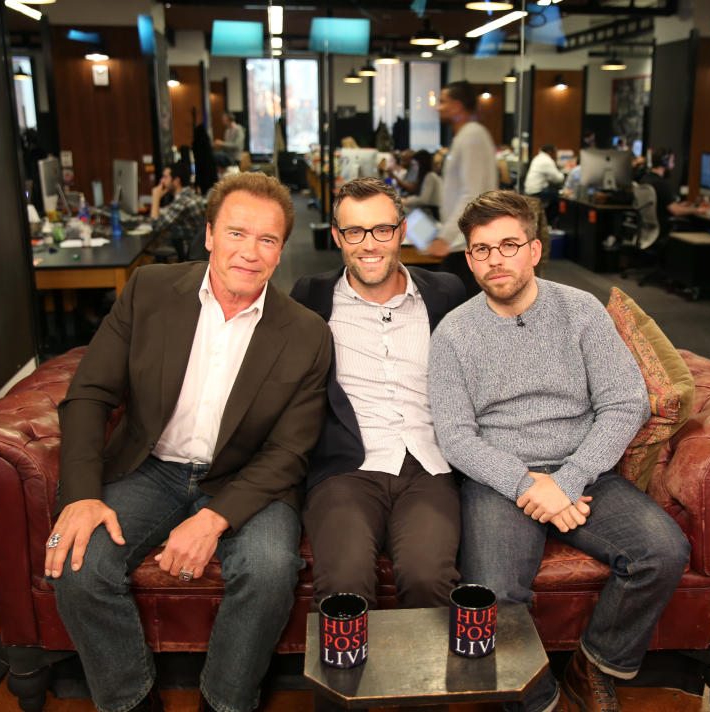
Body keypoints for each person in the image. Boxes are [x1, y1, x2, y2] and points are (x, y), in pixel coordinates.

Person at [46, 172, 333, 712]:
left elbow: (289, 452)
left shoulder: (307, 333)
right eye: (236, 233)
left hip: (247, 479)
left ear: (280, 252)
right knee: (77, 564)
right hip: (150, 467)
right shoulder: (150, 291)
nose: (250, 252)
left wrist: (214, 517)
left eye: (267, 240)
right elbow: (89, 394)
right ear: (208, 235)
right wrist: (81, 493)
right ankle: (131, 701)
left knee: (270, 570)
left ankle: (225, 703)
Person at [428, 190, 690, 712]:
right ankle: (538, 703)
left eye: (508, 244)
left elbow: (624, 402)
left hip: (584, 470)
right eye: (481, 250)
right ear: (469, 259)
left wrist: (567, 480)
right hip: (498, 481)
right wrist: (530, 486)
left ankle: (591, 665)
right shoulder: (453, 333)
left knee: (662, 552)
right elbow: (455, 437)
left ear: (535, 250)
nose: (495, 259)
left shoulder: (580, 311)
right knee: (494, 596)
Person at [291, 177, 465, 622]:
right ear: (336, 237)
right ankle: (346, 693)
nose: (369, 244)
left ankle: (424, 694)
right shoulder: (310, 298)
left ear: (402, 232)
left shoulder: (446, 294)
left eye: (382, 230)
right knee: (343, 586)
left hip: (429, 465)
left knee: (429, 579)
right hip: (346, 468)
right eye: (354, 232)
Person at [428, 80, 498, 297]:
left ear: (457, 106)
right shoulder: (465, 136)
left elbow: (472, 194)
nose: (439, 107)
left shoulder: (472, 136)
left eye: (443, 102)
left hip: (465, 243)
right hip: (461, 241)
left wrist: (445, 238)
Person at [640, 148, 708, 237]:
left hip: (648, 229)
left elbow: (660, 205)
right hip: (662, 228)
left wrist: (679, 205)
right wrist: (697, 210)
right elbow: (676, 211)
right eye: (672, 161)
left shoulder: (645, 179)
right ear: (665, 162)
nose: (673, 165)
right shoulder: (661, 183)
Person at [523, 143, 564, 224]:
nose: (555, 155)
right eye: (555, 152)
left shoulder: (538, 158)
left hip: (529, 190)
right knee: (561, 197)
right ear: (550, 152)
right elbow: (559, 179)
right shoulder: (547, 160)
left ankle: (546, 221)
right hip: (537, 192)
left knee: (554, 194)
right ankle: (548, 222)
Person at [402, 149, 442, 218]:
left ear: (421, 164)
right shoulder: (429, 175)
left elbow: (424, 200)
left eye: (416, 164)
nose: (414, 167)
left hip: (432, 212)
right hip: (429, 210)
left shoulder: (430, 176)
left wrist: (407, 201)